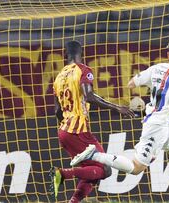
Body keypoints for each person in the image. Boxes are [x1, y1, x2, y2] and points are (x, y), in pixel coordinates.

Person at [70, 37, 169, 203]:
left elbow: (131, 83)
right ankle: (95, 155)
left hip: (164, 124)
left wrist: (141, 96)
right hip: (157, 127)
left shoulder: (156, 68)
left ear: (168, 53)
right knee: (135, 168)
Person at [50, 40, 135, 203]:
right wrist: (116, 108)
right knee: (104, 168)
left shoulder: (58, 78)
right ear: (80, 55)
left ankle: (73, 201)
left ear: (65, 56)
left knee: (92, 170)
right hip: (78, 130)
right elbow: (89, 95)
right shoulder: (83, 70)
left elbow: (57, 111)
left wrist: (66, 126)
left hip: (63, 131)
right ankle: (62, 173)